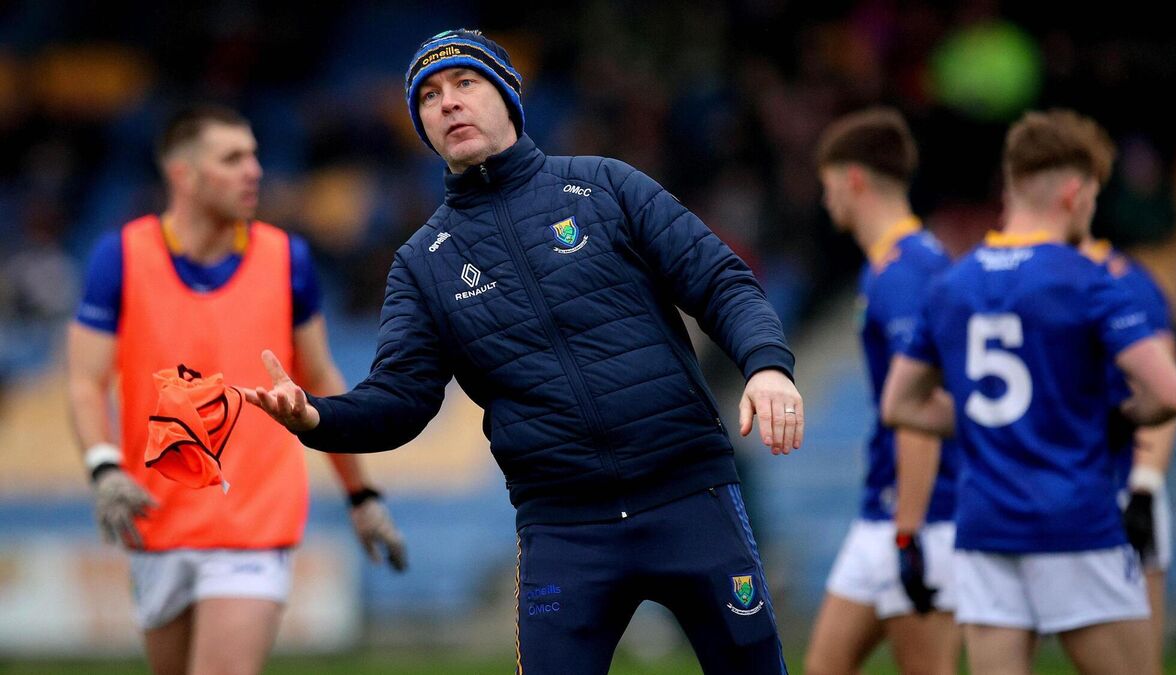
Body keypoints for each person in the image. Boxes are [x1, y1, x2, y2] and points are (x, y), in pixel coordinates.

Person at [243, 28, 803, 674]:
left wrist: (766, 364)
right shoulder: (423, 263)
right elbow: (400, 398)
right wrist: (316, 416)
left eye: (465, 82)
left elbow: (720, 280)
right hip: (564, 530)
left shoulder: (606, 185)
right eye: (429, 96)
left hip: (691, 496)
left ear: (508, 95)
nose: (449, 102)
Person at [66, 104, 407, 675]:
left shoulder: (287, 259)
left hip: (252, 521)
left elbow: (321, 380)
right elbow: (84, 379)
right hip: (158, 518)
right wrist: (104, 468)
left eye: (253, 155)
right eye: (232, 158)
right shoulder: (120, 257)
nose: (254, 170)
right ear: (183, 174)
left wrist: (361, 495)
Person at [880, 109, 1176, 675]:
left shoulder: (952, 283)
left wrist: (983, 422)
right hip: (1075, 523)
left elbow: (899, 404)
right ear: (1074, 192)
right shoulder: (1087, 277)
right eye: (1093, 196)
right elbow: (1169, 394)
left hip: (986, 525)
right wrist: (1113, 417)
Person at [805, 108, 960, 675]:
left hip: (920, 518)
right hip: (883, 512)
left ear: (853, 179)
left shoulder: (906, 272)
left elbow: (919, 408)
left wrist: (908, 535)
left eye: (827, 184)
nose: (826, 200)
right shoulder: (891, 266)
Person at [1079, 181, 1176, 674]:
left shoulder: (1129, 281)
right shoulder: (1036, 276)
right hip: (1060, 490)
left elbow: (1165, 388)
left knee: (1138, 660)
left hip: (1120, 487)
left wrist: (1144, 485)